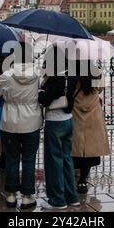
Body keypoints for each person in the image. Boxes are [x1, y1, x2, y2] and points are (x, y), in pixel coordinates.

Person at [0, 42, 42, 210]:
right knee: (29, 159)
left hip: (9, 122)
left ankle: (11, 196)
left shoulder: (7, 75)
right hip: (32, 122)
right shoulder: (38, 74)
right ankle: (27, 196)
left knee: (12, 159)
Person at [38, 46, 80, 210]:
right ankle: (72, 196)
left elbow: (45, 100)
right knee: (67, 159)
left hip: (54, 122)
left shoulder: (54, 79)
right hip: (68, 121)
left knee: (54, 161)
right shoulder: (71, 75)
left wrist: (41, 90)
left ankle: (57, 199)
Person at [71, 60, 110, 194]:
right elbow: (100, 89)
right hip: (93, 113)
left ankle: (72, 176)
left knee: (75, 147)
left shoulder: (72, 72)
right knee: (89, 149)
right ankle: (83, 180)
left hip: (75, 113)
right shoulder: (97, 72)